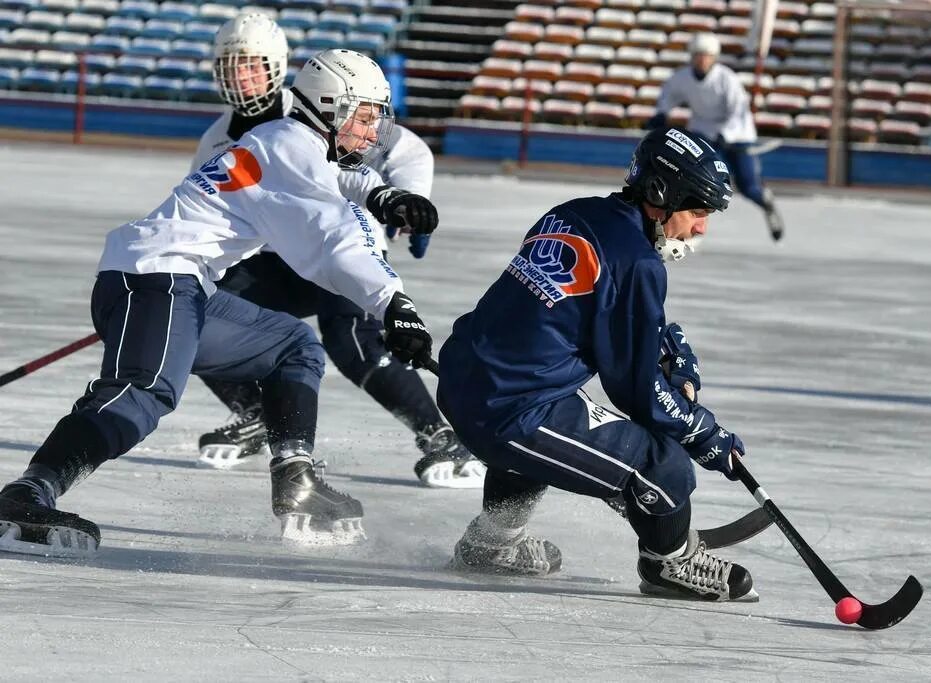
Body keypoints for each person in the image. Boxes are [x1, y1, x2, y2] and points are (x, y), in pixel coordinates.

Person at [0, 48, 438, 557]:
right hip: (159, 278)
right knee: (144, 395)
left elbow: (340, 177)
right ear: (329, 107)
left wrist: (385, 196)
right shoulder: (288, 147)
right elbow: (337, 241)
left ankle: (296, 477)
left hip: (171, 281)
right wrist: (395, 305)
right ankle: (29, 493)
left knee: (293, 345)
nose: (373, 130)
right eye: (364, 116)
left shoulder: (288, 141)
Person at [436, 126, 758, 602]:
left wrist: (665, 347)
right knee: (664, 466)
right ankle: (669, 564)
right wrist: (703, 433)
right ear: (659, 194)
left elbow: (598, 310)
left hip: (467, 376)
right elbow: (636, 389)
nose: (700, 227)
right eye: (696, 211)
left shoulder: (574, 213)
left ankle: (492, 543)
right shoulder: (638, 263)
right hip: (513, 407)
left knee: (538, 445)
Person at [191, 12, 484, 489]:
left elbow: (406, 150)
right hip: (274, 260)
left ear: (277, 67)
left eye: (252, 65)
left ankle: (438, 434)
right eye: (232, 66)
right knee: (195, 313)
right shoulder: (216, 139)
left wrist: (410, 200)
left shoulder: (319, 105)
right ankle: (255, 414)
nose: (242, 77)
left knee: (353, 339)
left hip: (339, 245)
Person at [648, 33, 784, 242]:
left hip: (738, 134)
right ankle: (692, 224)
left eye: (707, 55)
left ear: (714, 57)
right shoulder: (682, 77)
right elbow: (668, 95)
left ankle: (766, 203)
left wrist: (726, 134)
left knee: (748, 186)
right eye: (698, 55)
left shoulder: (726, 79)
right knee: (701, 182)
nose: (702, 60)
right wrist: (661, 113)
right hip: (704, 131)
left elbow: (738, 112)